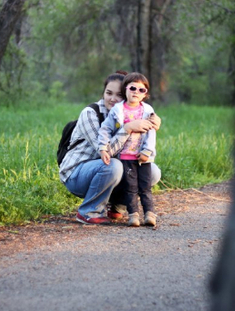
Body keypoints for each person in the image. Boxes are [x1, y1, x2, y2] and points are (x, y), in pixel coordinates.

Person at [59, 71, 161, 225]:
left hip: (107, 170)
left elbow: (135, 148)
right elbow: (106, 153)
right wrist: (127, 129)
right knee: (114, 165)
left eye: (118, 95)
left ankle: (117, 205)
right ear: (103, 93)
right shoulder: (90, 113)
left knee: (151, 171)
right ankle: (88, 211)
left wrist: (153, 120)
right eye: (108, 93)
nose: (113, 99)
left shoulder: (131, 112)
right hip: (77, 174)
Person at [98, 72, 157, 227]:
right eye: (132, 88)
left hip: (143, 156)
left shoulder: (147, 110)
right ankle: (133, 215)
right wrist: (103, 148)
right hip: (125, 156)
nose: (136, 92)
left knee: (145, 187)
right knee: (130, 188)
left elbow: (151, 132)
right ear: (126, 90)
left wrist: (147, 151)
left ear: (145, 94)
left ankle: (150, 214)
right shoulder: (118, 110)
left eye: (141, 90)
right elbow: (105, 129)